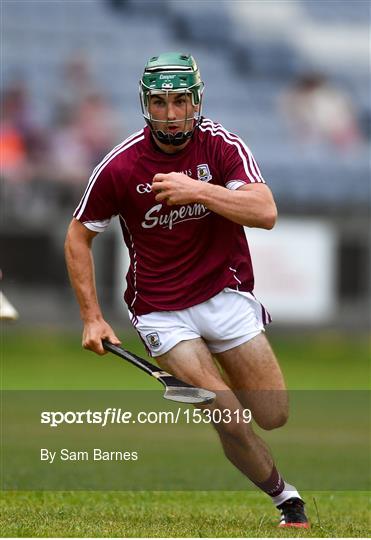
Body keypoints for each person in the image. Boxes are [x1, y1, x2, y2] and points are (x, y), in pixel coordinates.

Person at [65, 51, 309, 528]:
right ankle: (287, 500)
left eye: (181, 101)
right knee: (228, 415)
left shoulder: (222, 147)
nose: (171, 114)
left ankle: (224, 387)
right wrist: (91, 316)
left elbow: (265, 212)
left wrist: (196, 190)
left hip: (225, 294)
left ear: (197, 101)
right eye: (159, 102)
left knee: (273, 413)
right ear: (145, 104)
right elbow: (79, 235)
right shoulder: (120, 166)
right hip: (160, 310)